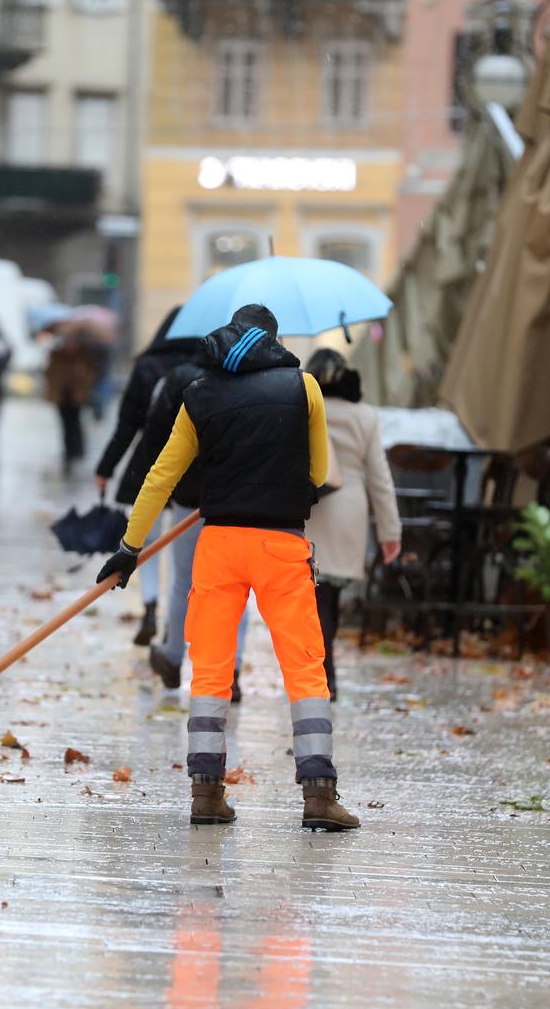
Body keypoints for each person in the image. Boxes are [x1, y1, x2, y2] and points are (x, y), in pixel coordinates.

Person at [99, 305, 359, 832]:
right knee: (305, 668)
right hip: (281, 545)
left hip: (216, 545)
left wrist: (129, 547)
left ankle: (207, 793)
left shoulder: (199, 395)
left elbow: (161, 476)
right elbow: (319, 471)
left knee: (212, 669)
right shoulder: (302, 386)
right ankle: (318, 795)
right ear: (274, 340)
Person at [133, 347, 251, 702]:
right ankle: (232, 669)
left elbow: (157, 444)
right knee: (236, 586)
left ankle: (172, 656)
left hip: (189, 498)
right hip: (236, 502)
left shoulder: (187, 383)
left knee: (184, 579)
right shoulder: (263, 388)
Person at [302, 349, 403, 701]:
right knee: (331, 598)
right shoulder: (365, 416)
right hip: (351, 511)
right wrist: (390, 533)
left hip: (314, 508)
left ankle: (323, 675)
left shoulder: (308, 407)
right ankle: (327, 675)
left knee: (317, 597)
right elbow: (380, 479)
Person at [95, 307, 197, 646]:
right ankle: (174, 622)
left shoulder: (147, 366)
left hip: (148, 467)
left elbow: (126, 427)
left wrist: (105, 468)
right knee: (183, 560)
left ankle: (150, 606)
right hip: (193, 473)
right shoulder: (206, 372)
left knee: (144, 544)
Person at [45, 322, 101, 471]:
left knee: (75, 423)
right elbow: (50, 373)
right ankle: (68, 451)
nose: (70, 344)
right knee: (64, 423)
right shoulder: (56, 354)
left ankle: (78, 450)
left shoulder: (84, 354)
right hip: (61, 394)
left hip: (77, 395)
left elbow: (91, 373)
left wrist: (81, 376)